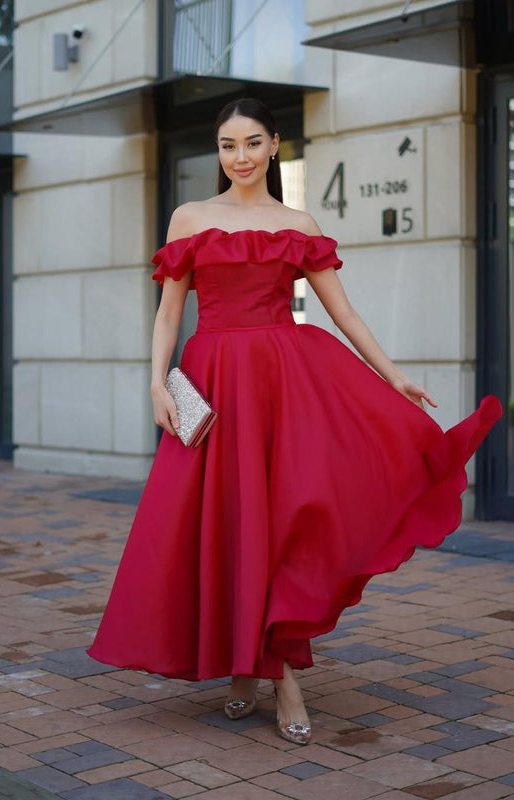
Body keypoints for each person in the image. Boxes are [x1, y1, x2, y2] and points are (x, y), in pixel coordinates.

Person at [87, 97, 501, 745]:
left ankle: (273, 674)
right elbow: (169, 314)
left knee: (277, 524)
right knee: (224, 523)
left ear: (274, 145)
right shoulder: (189, 217)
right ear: (218, 152)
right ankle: (251, 670)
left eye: (252, 143)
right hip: (214, 385)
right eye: (228, 145)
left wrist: (392, 376)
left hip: (285, 384)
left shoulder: (297, 222)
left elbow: (345, 314)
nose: (241, 157)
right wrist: (155, 383)